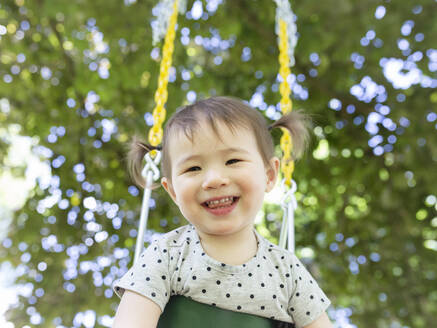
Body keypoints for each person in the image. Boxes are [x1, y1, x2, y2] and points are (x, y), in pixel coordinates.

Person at [112, 96, 333, 328]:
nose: (214, 180)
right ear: (173, 191)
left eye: (233, 160)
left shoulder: (286, 270)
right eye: (193, 168)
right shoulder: (168, 255)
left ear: (268, 175)